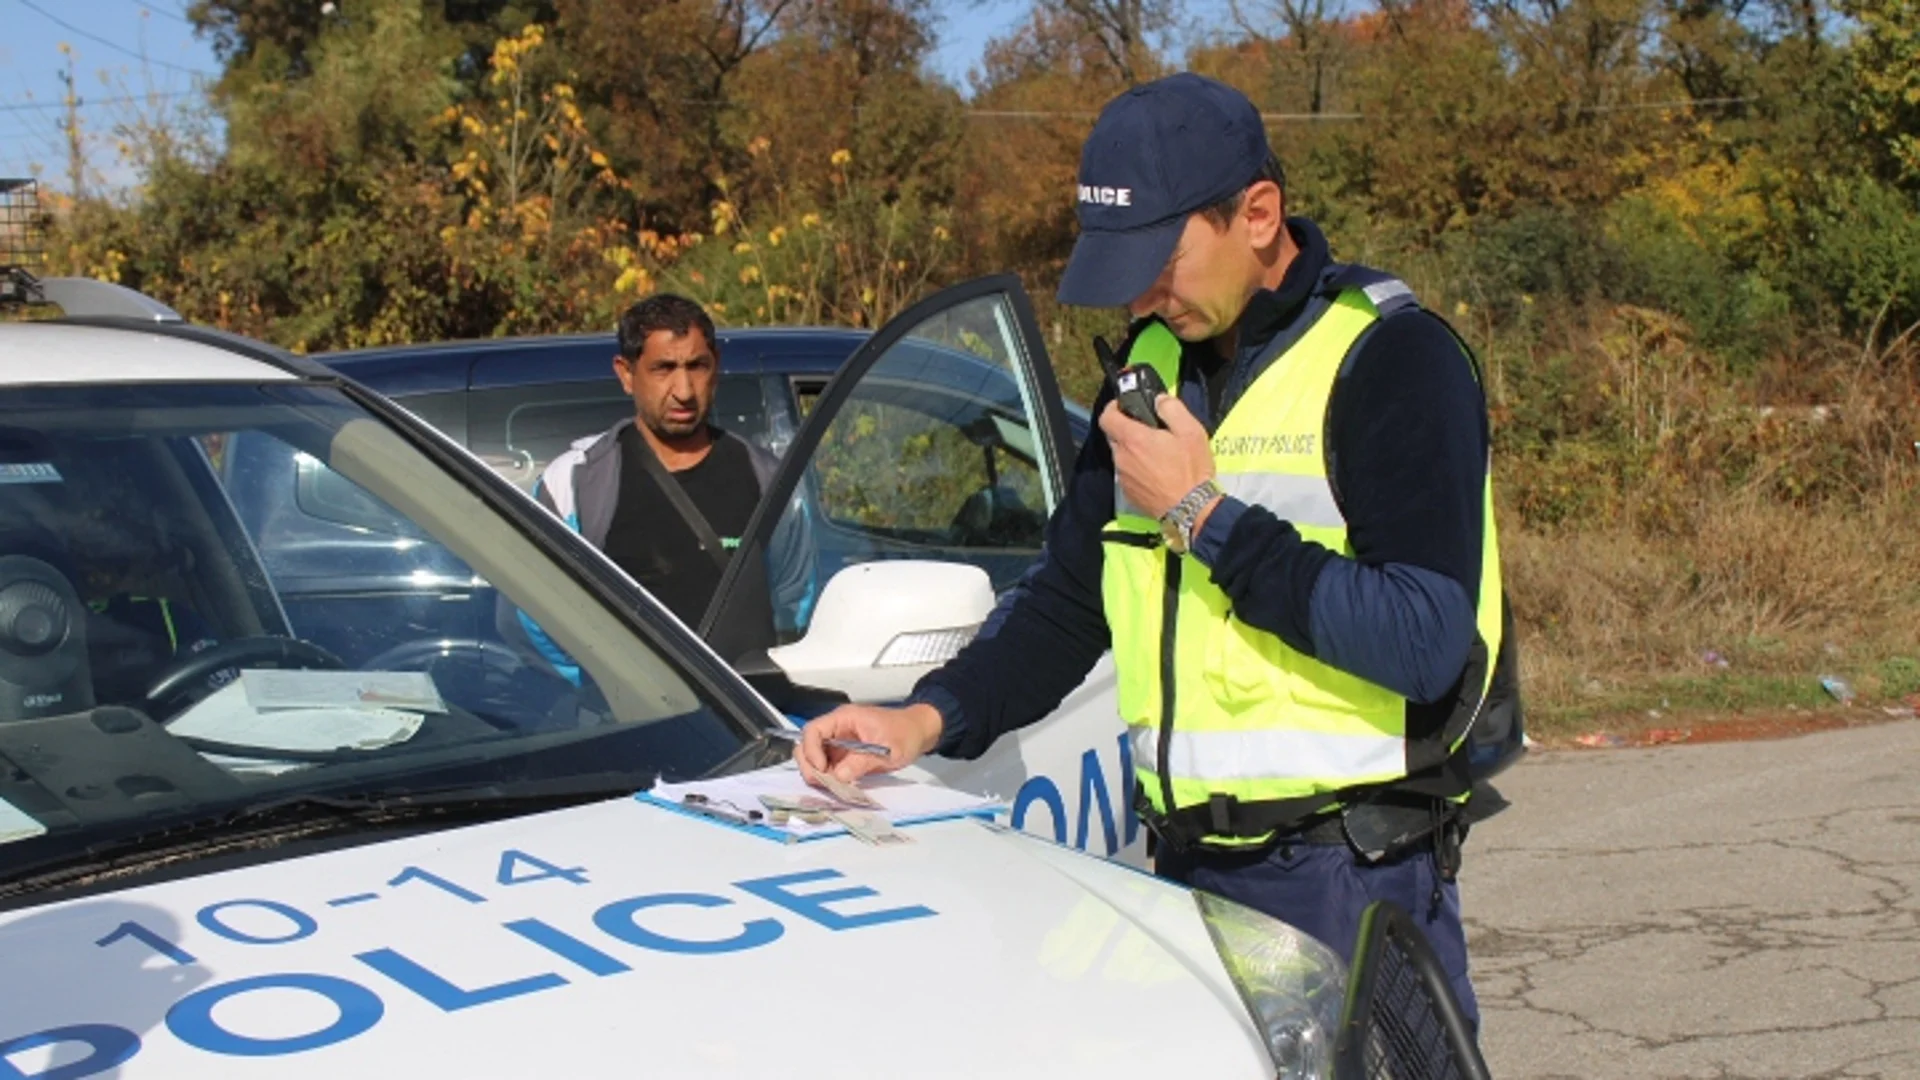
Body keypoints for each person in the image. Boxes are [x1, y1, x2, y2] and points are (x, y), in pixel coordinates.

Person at [794, 72, 1515, 1028]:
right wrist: (926, 718)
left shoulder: (1390, 360)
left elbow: (1423, 641)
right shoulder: (1149, 373)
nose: (1140, 290)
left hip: (1351, 879)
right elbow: (1068, 602)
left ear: (1258, 214)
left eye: (1160, 256)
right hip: (1180, 875)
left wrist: (1201, 516)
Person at [508, 294, 809, 681]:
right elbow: (535, 613)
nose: (684, 390)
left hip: (748, 722)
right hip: (640, 732)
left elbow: (793, 603)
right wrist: (610, 693)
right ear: (626, 373)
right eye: (664, 368)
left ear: (715, 365)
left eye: (696, 366)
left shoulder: (767, 476)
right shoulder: (575, 483)